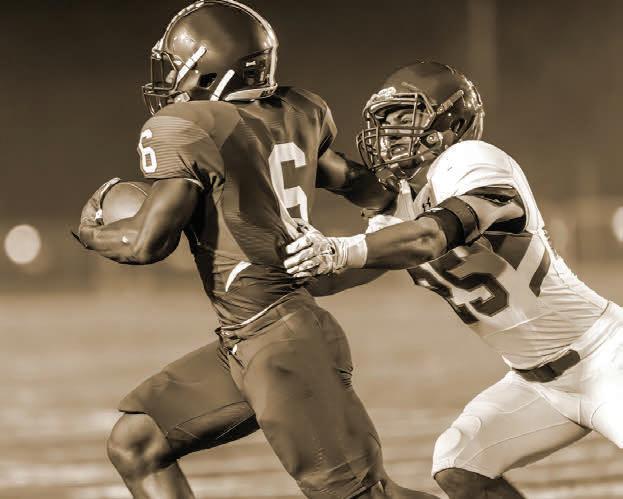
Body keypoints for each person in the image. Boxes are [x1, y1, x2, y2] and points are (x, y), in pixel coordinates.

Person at [76, 2, 437, 499]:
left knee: (363, 496)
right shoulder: (298, 111)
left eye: (178, 67)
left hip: (280, 343)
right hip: (250, 339)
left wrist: (91, 232)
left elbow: (145, 244)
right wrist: (401, 204)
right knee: (136, 443)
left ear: (210, 67)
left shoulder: (188, 124)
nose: (172, 80)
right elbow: (359, 183)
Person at [284, 60, 623, 499]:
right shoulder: (408, 204)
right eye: (384, 122)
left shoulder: (470, 159)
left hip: (604, 358)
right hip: (535, 384)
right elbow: (331, 279)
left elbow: (431, 235)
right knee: (459, 466)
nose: (389, 135)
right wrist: (287, 256)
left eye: (404, 118)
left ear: (453, 123)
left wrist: (338, 248)